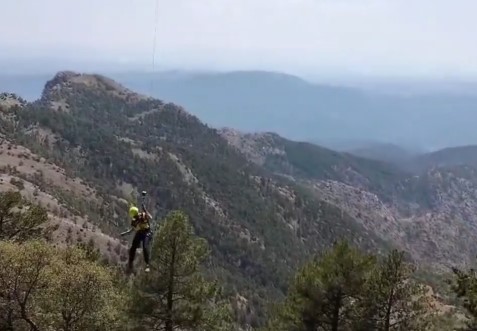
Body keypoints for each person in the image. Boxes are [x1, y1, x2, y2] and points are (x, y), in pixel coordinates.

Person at [121, 205, 153, 273]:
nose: (134, 217)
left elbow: (150, 217)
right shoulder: (135, 219)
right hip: (141, 232)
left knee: (145, 247)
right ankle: (130, 263)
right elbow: (133, 229)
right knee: (133, 247)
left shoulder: (143, 215)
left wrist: (145, 210)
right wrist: (126, 233)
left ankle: (147, 264)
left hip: (147, 233)